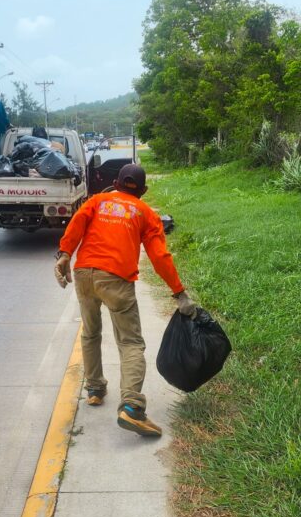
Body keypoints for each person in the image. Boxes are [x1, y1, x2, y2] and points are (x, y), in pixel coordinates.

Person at [54, 164, 196, 438]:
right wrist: (179, 293)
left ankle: (95, 389)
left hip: (83, 274)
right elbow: (160, 257)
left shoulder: (97, 201)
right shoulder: (145, 213)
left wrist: (63, 254)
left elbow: (77, 224)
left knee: (91, 333)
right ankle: (131, 407)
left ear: (115, 183)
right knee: (130, 342)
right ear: (143, 191)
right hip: (116, 279)